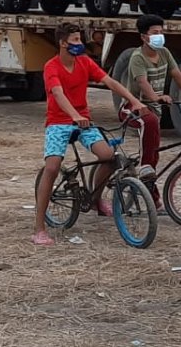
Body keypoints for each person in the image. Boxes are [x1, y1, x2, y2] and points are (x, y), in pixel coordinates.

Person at [33, 22, 149, 246]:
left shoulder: (84, 62)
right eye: (75, 40)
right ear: (62, 42)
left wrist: (134, 101)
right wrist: (74, 115)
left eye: (79, 39)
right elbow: (57, 93)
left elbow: (110, 82)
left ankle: (95, 200)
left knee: (109, 156)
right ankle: (39, 227)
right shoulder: (51, 66)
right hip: (59, 122)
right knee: (52, 167)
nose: (79, 44)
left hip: (83, 122)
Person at [125, 14, 181, 200]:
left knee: (155, 155)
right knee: (149, 132)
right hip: (133, 107)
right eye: (155, 32)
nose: (160, 35)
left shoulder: (165, 53)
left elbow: (178, 76)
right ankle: (144, 169)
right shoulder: (137, 58)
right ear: (144, 37)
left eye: (161, 32)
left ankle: (151, 195)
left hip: (154, 110)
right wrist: (157, 97)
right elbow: (143, 84)